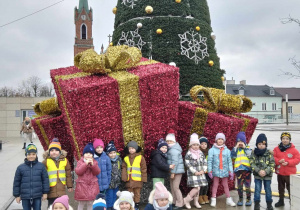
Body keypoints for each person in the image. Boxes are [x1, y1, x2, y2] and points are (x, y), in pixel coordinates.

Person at [13, 144, 49, 210]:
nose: (31, 156)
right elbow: (16, 182)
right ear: (26, 155)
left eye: (33, 154)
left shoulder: (41, 166)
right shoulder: (20, 168)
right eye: (29, 154)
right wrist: (17, 195)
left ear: (36, 155)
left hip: (37, 195)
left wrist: (45, 193)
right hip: (25, 196)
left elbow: (45, 180)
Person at [207, 133, 236, 207]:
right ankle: (213, 199)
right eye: (219, 139)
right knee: (215, 185)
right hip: (216, 171)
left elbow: (229, 162)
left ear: (224, 140)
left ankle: (228, 199)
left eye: (222, 139)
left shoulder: (227, 151)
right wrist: (210, 170)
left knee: (225, 185)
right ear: (216, 140)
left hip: (225, 171)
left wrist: (231, 171)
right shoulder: (212, 150)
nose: (220, 140)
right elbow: (209, 161)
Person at [42, 138, 73, 207]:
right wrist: (44, 191)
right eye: (52, 150)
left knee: (61, 205)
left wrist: (69, 186)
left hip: (61, 188)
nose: (54, 152)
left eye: (56, 150)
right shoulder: (46, 161)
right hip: (50, 189)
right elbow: (42, 176)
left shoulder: (65, 160)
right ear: (49, 152)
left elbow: (68, 174)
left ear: (60, 151)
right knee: (51, 206)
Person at [273, 132, 300, 207]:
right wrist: (278, 161)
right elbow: (273, 157)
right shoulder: (276, 149)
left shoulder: (294, 150)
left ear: (289, 140)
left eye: (287, 139)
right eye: (283, 138)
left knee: (290, 188)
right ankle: (281, 200)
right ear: (281, 139)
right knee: (280, 188)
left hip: (290, 173)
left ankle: (292, 201)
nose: (285, 140)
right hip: (280, 172)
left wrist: (288, 162)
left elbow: (297, 159)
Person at [250, 133, 275, 210]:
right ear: (257, 144)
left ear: (266, 145)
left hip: (267, 176)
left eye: (263, 144)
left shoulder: (269, 154)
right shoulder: (254, 153)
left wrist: (265, 171)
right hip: (257, 175)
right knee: (257, 190)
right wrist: (258, 171)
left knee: (268, 189)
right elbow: (252, 163)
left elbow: (272, 164)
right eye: (259, 144)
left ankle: (269, 204)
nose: (261, 145)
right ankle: (257, 204)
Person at [183, 133, 208, 209]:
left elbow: (204, 162)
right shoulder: (189, 154)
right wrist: (195, 172)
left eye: (197, 145)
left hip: (200, 173)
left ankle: (196, 202)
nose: (196, 146)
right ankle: (186, 200)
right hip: (193, 174)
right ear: (190, 146)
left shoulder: (200, 153)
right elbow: (188, 164)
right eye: (194, 145)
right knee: (196, 188)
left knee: (199, 188)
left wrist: (204, 170)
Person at [122, 140, 147, 210]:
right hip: (129, 179)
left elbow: (143, 168)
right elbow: (123, 167)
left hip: (137, 180)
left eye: (133, 148)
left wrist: (144, 179)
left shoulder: (140, 157)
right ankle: (131, 205)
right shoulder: (126, 158)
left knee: (137, 193)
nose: (131, 150)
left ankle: (137, 205)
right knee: (130, 194)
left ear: (136, 149)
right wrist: (124, 176)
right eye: (130, 148)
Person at [75, 143, 101, 210]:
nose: (88, 155)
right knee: (81, 204)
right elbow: (78, 172)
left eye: (90, 153)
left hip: (92, 187)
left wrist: (93, 166)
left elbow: (97, 172)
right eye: (86, 153)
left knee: (90, 203)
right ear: (83, 155)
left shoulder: (95, 162)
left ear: (92, 155)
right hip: (82, 187)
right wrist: (85, 164)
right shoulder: (80, 162)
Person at [231, 131, 252, 206]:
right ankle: (240, 198)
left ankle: (248, 199)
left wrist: (245, 147)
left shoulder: (248, 148)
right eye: (238, 141)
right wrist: (235, 147)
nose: (240, 143)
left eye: (241, 141)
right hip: (238, 171)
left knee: (247, 186)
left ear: (245, 142)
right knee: (239, 186)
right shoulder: (235, 150)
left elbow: (250, 156)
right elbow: (232, 156)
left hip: (247, 170)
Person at [166, 129, 185, 210]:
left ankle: (180, 203)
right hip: (173, 171)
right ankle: (174, 202)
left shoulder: (173, 150)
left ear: (173, 141)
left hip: (176, 171)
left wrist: (173, 172)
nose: (169, 142)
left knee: (175, 187)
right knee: (172, 187)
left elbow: (175, 162)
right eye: (167, 141)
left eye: (170, 141)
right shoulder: (171, 149)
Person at [105, 141, 122, 210]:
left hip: (117, 182)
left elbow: (120, 169)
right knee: (109, 196)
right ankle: (109, 207)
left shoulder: (119, 159)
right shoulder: (107, 160)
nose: (113, 155)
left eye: (114, 152)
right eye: (110, 153)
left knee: (115, 196)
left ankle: (114, 207)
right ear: (107, 154)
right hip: (109, 183)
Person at [198, 136, 210, 205]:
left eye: (205, 144)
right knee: (201, 185)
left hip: (207, 172)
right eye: (202, 144)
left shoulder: (208, 152)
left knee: (206, 184)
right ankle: (200, 196)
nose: (203, 145)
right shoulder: (198, 152)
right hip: (201, 171)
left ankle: (204, 195)